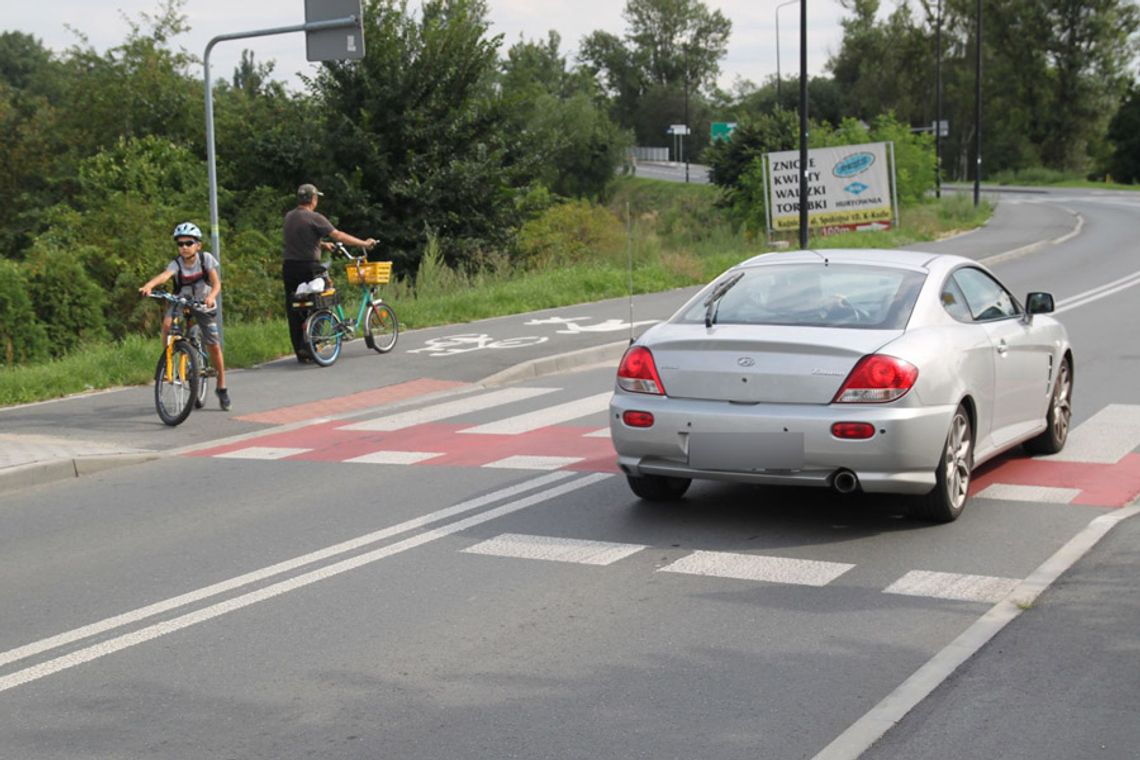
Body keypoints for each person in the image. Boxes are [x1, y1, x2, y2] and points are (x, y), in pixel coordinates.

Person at [139, 222, 231, 411]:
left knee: (213, 344)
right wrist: (149, 286)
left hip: (203, 302)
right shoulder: (176, 263)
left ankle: (221, 386)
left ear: (198, 245)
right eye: (180, 244)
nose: (184, 247)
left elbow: (216, 284)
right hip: (181, 300)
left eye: (189, 243)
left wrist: (212, 297)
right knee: (167, 326)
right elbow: (165, 276)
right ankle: (168, 362)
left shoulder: (206, 260)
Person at [282, 183, 377, 363]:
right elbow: (339, 235)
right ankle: (315, 342)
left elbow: (299, 238)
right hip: (309, 267)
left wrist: (322, 244)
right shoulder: (315, 218)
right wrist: (364, 243)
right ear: (313, 199)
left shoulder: (289, 217)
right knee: (324, 296)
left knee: (294, 307)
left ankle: (302, 351)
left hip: (289, 267)